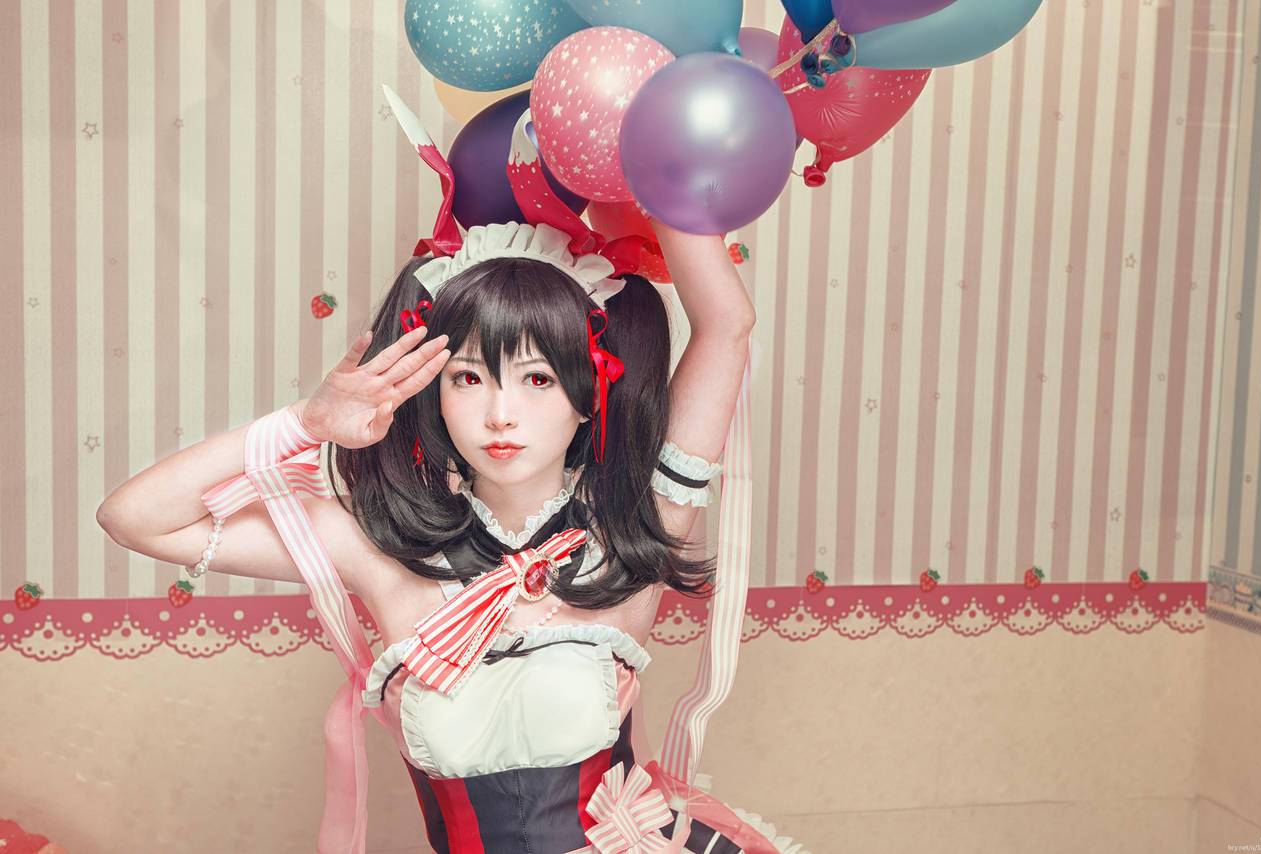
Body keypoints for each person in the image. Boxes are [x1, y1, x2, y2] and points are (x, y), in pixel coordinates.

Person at [97, 216, 809, 853]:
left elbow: (726, 325)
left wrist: (664, 173)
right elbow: (133, 518)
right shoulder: (381, 549)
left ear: (589, 391)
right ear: (433, 393)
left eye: (538, 379)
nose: (501, 414)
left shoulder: (629, 531)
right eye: (468, 378)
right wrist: (302, 425)